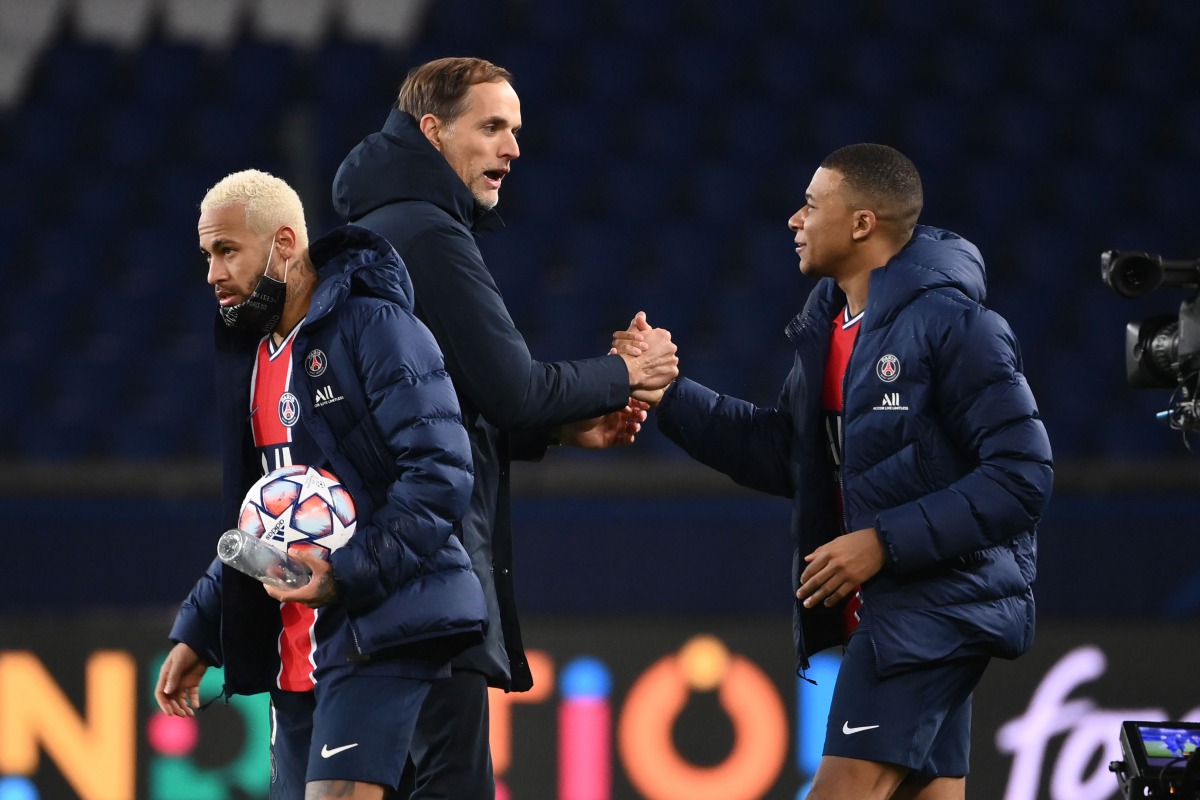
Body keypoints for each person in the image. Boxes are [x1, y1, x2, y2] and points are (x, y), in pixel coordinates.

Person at [625, 144, 1053, 799]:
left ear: (862, 224)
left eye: (811, 205)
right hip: (899, 613)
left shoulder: (959, 328)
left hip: (931, 611)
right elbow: (782, 452)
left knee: (842, 789)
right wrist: (668, 393)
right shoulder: (832, 328)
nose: (795, 220)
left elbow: (1023, 476)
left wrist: (884, 542)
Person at [332, 56, 678, 798]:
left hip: (381, 564)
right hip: (429, 568)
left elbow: (435, 399)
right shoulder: (427, 234)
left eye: (514, 131)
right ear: (433, 131)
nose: (513, 149)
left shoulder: (373, 227)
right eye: (491, 127)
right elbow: (514, 389)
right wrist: (628, 372)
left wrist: (562, 429)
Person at [154, 169, 488, 800]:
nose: (212, 275)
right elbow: (268, 514)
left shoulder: (375, 327)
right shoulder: (254, 360)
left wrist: (349, 571)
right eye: (207, 256)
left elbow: (443, 471)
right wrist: (203, 626)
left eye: (227, 251)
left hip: (380, 621)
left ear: (283, 243)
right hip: (297, 649)